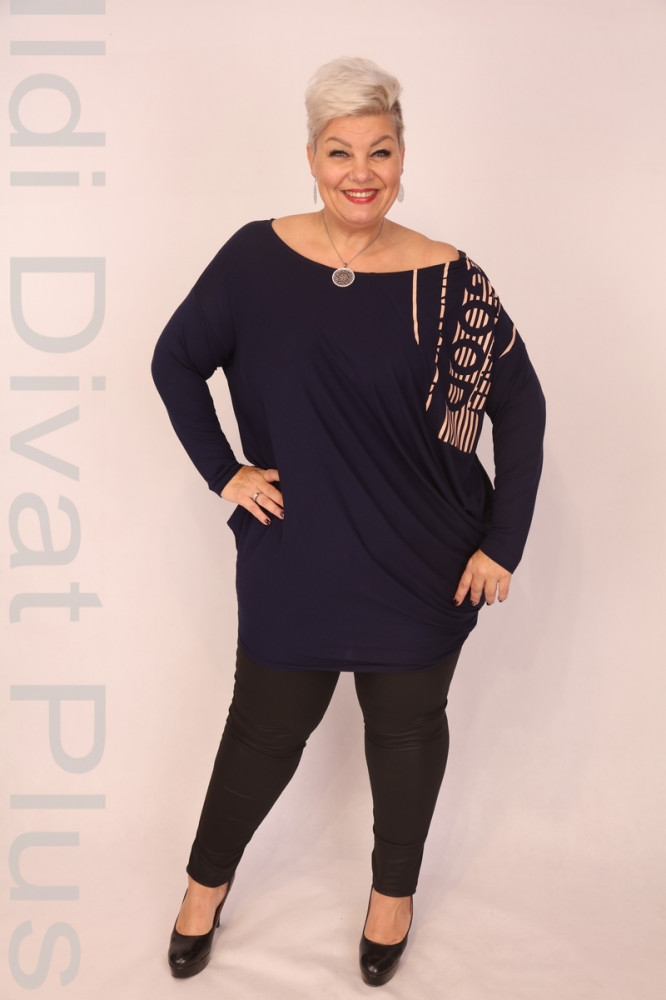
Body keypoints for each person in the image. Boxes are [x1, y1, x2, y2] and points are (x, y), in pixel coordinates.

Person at [152, 56, 545, 987]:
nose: (360, 172)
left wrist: (502, 543)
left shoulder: (452, 281)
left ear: (402, 157)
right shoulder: (254, 259)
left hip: (422, 562)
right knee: (262, 734)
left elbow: (521, 410)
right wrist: (226, 473)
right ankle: (204, 889)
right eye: (340, 151)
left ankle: (391, 899)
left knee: (404, 738)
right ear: (311, 158)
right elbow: (175, 360)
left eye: (380, 150)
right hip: (297, 554)